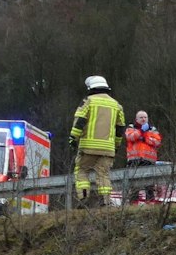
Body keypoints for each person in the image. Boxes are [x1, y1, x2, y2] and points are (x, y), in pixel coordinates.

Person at [69, 75, 125, 208]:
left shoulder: (88, 101)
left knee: (81, 171)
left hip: (88, 147)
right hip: (108, 148)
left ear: (90, 88)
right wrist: (116, 145)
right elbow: (120, 128)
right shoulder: (116, 105)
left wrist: (73, 138)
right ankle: (105, 201)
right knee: (103, 174)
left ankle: (83, 198)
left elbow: (79, 122)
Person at [124, 110, 162, 201]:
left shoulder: (152, 129)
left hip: (148, 160)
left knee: (149, 186)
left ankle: (150, 205)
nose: (143, 119)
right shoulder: (131, 128)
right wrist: (140, 131)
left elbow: (157, 142)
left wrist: (144, 138)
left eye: (145, 117)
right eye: (141, 117)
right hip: (134, 159)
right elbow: (130, 137)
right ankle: (133, 205)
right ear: (136, 119)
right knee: (134, 186)